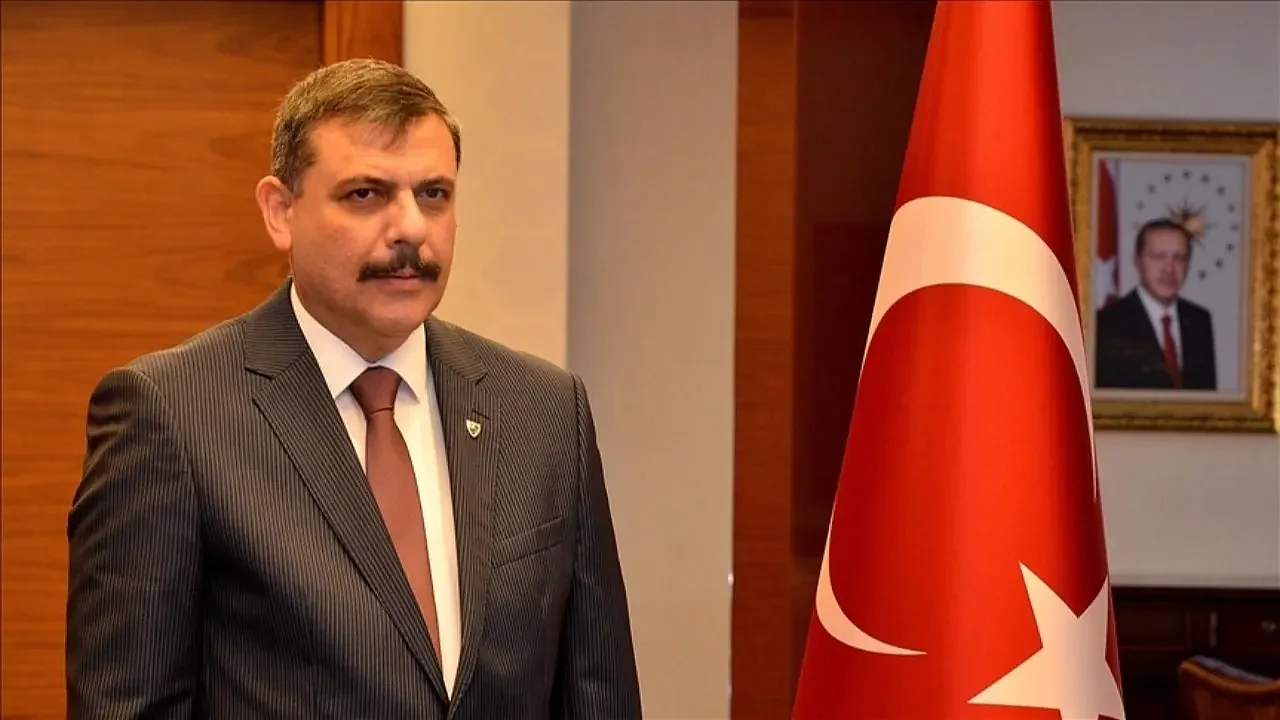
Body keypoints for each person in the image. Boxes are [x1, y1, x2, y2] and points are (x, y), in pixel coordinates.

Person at [65, 58, 642, 719]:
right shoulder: (171, 413)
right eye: (366, 195)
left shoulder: (545, 410)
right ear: (281, 212)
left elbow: (599, 695)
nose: (411, 229)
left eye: (433, 194)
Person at [1094, 218, 1217, 390]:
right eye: (1159, 257)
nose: (1169, 269)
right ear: (1138, 261)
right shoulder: (1107, 323)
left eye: (1179, 258)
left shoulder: (1199, 320)